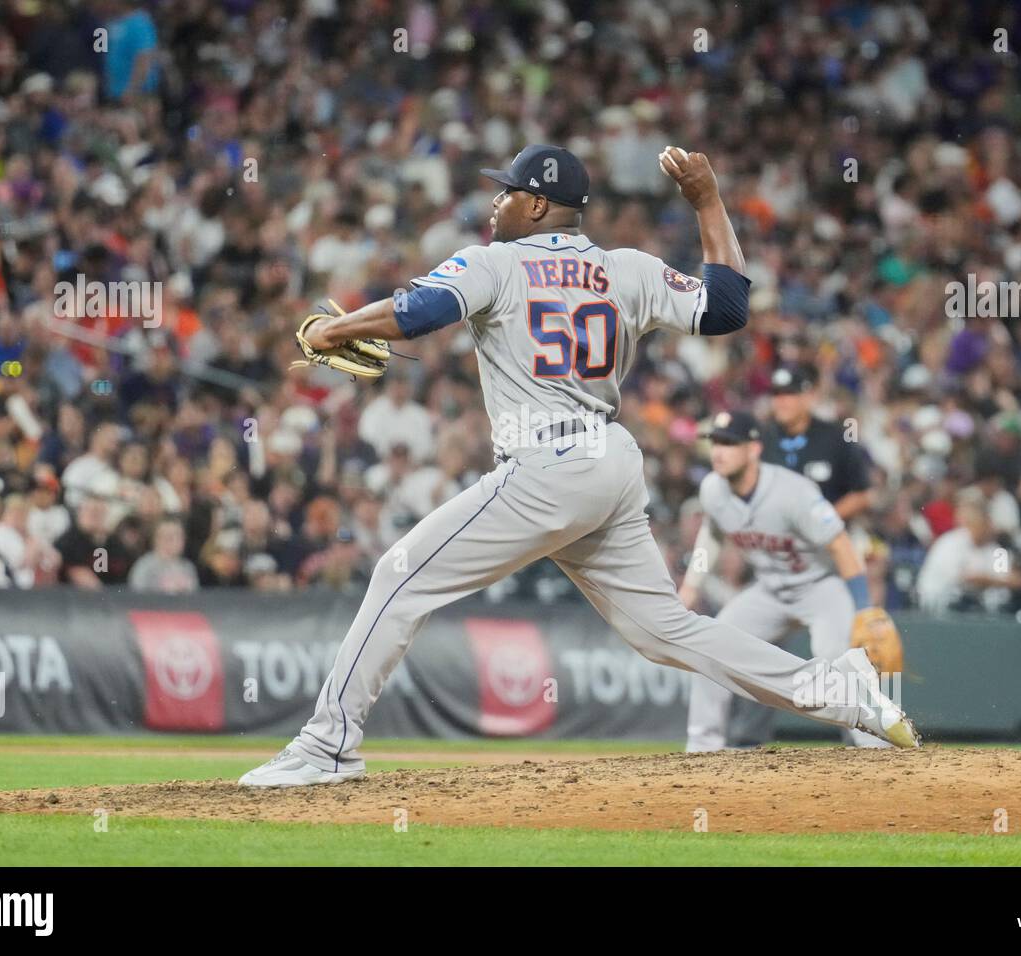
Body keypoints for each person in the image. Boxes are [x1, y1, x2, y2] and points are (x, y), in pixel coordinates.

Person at [240, 144, 919, 787]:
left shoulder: (494, 262)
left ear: (538, 205)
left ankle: (326, 746)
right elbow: (728, 308)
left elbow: (418, 311)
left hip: (547, 462)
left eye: (507, 191)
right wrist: (709, 201)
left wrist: (333, 329)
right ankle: (838, 691)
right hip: (610, 459)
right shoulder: (627, 268)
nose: (496, 201)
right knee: (665, 631)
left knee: (398, 575)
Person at [679, 410, 890, 752]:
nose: (719, 451)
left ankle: (875, 746)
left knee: (838, 659)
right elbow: (711, 537)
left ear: (754, 449)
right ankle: (702, 748)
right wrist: (691, 585)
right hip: (770, 589)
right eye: (715, 442)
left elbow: (841, 545)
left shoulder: (793, 492)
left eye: (730, 443)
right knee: (710, 648)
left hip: (820, 586)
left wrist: (864, 607)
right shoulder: (713, 490)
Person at [760, 364, 874, 522]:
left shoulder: (836, 437)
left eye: (789, 393)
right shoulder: (761, 439)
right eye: (776, 394)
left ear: (809, 396)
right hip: (774, 537)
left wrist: (822, 521)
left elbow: (862, 494)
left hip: (824, 541)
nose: (781, 401)